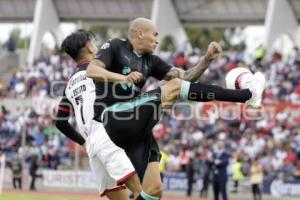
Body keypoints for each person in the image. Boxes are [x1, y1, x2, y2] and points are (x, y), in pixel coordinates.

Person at [86, 17, 265, 199]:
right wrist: (122, 78)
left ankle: (248, 95)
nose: (157, 40)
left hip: (135, 126)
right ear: (140, 33)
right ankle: (247, 95)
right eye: (154, 35)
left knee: (154, 190)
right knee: (175, 88)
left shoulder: (152, 61)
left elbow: (186, 77)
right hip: (113, 115)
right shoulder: (116, 46)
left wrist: (207, 59)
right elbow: (92, 70)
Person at [55, 30, 143, 200]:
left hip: (93, 146)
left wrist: (83, 142)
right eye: (93, 43)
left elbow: (60, 122)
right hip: (107, 135)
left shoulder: (69, 84)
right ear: (89, 47)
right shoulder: (98, 70)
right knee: (143, 191)